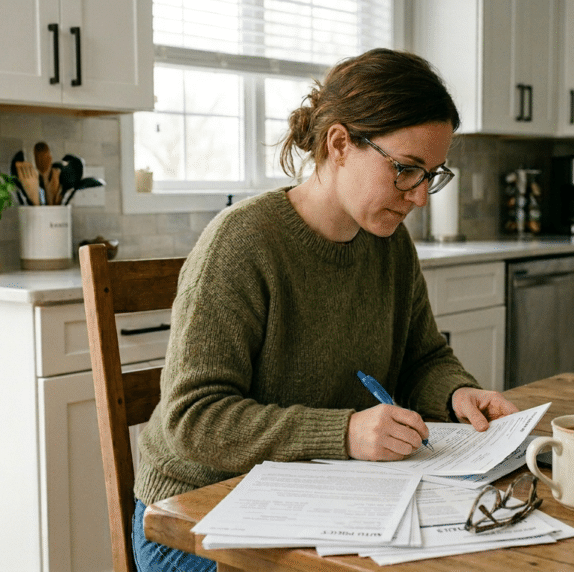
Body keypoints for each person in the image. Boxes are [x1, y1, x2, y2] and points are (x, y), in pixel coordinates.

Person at [130, 47, 520, 572]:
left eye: (431, 174)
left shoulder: (390, 244)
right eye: (406, 170)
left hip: (322, 495)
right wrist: (345, 433)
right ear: (339, 143)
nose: (420, 196)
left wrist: (456, 393)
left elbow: (423, 357)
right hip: (198, 514)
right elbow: (192, 418)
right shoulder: (243, 242)